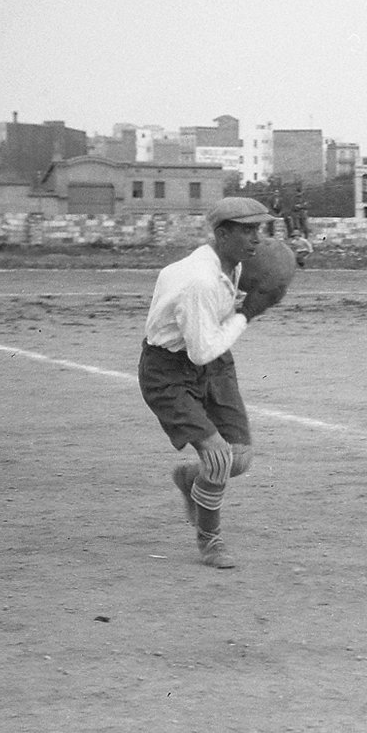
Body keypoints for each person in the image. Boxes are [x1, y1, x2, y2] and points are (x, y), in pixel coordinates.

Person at [139, 196, 285, 569]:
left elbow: (211, 343)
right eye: (248, 230)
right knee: (218, 457)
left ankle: (191, 479)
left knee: (239, 458)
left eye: (260, 229)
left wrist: (274, 273)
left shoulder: (231, 263)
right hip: (169, 370)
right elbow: (202, 350)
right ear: (222, 234)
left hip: (212, 361)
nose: (257, 239)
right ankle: (210, 540)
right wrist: (249, 311)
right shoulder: (199, 280)